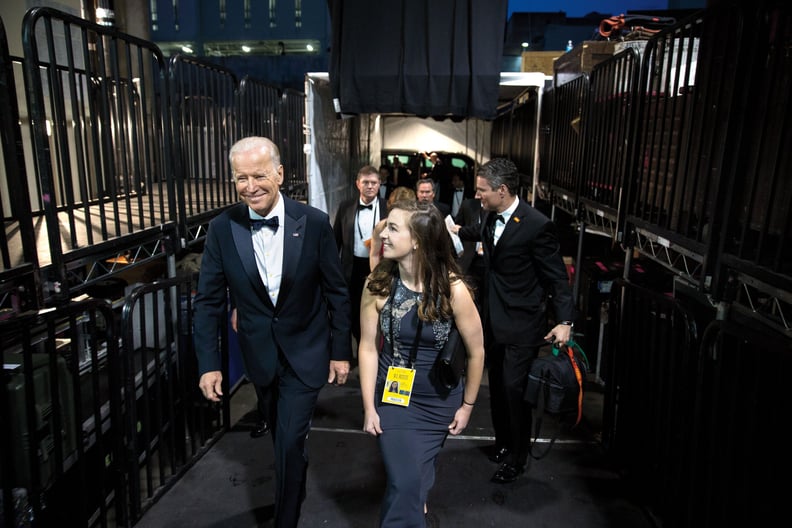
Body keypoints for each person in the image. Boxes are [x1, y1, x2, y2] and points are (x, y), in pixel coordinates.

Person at [193, 136, 352, 528]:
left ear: (280, 174)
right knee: (284, 441)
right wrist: (209, 364)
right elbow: (209, 302)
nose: (250, 186)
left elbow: (336, 291)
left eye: (259, 175)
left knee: (288, 440)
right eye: (241, 178)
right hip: (259, 356)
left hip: (307, 352)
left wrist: (340, 350)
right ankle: (294, 470)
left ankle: (286, 520)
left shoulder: (313, 222)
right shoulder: (221, 228)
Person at [359, 200, 485, 527]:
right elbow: (369, 348)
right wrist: (369, 408)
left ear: (417, 240)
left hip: (439, 401)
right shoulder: (378, 285)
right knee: (405, 481)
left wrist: (467, 406)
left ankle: (416, 505)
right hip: (394, 398)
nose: (382, 234)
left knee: (417, 474)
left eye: (393, 228)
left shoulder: (452, 290)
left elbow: (476, 351)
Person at [454, 158, 575, 484]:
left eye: (482, 191)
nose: (477, 196)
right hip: (492, 319)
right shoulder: (490, 216)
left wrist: (565, 321)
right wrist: (449, 228)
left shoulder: (537, 225)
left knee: (513, 391)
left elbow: (557, 279)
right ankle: (503, 444)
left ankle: (517, 458)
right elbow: (474, 231)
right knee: (496, 389)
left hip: (522, 325)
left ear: (502, 190)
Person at [333, 166, 388, 346]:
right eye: (366, 182)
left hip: (379, 267)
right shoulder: (345, 207)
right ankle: (353, 349)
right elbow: (336, 240)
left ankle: (375, 348)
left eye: (374, 183)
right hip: (351, 268)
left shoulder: (388, 207)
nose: (370, 186)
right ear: (358, 184)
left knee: (375, 308)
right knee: (353, 310)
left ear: (379, 184)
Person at [369, 186, 417, 271]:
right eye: (393, 208)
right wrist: (375, 277)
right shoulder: (381, 226)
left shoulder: (418, 227)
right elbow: (374, 255)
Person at [453, 196, 486, 303]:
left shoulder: (498, 209)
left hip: (489, 262)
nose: (477, 195)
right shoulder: (468, 205)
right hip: (469, 261)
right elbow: (458, 227)